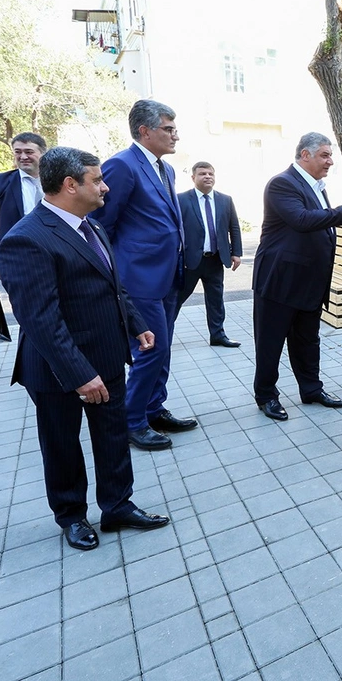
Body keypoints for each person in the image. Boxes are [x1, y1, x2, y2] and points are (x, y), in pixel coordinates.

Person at [0, 148, 170, 551]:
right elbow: (41, 320)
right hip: (58, 369)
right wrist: (80, 375)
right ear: (70, 185)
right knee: (62, 445)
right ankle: (72, 516)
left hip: (106, 354)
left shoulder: (91, 226)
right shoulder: (26, 239)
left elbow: (113, 284)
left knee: (112, 435)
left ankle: (118, 506)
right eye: (97, 180)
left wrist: (136, 324)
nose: (105, 186)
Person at [90, 99, 196, 451]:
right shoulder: (122, 165)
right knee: (151, 349)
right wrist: (113, 276)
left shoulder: (166, 169)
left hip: (168, 275)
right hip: (138, 279)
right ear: (144, 131)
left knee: (162, 350)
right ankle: (132, 421)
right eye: (169, 129)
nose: (175, 135)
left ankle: (153, 408)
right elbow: (101, 225)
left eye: (175, 129)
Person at [253, 132, 342, 421]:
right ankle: (266, 395)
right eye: (324, 155)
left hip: (309, 283)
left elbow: (321, 225)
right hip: (280, 282)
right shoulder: (282, 183)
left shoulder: (317, 186)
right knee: (270, 343)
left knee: (308, 341)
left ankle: (311, 389)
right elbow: (302, 220)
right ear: (305, 155)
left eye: (331, 155)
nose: (330, 161)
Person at [177, 161, 243, 347]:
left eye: (210, 174)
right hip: (190, 261)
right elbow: (173, 229)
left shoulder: (225, 200)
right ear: (193, 178)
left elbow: (234, 227)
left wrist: (236, 253)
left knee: (216, 300)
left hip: (215, 259)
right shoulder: (181, 199)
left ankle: (218, 335)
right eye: (202, 174)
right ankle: (162, 334)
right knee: (177, 299)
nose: (207, 177)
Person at [0, 133, 48, 288]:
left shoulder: (61, 181)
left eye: (29, 152)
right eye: (18, 152)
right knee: (25, 302)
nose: (23, 157)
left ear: (43, 153)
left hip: (56, 256)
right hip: (15, 261)